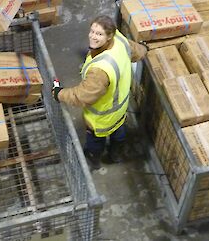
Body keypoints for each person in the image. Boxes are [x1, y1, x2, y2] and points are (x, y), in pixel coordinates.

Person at [52, 15, 146, 170]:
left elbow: (82, 96)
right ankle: (116, 155)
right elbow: (136, 51)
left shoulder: (101, 71)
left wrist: (59, 93)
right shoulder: (120, 40)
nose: (93, 37)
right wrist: (145, 49)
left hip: (101, 118)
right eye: (92, 31)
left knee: (95, 143)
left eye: (99, 34)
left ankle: (92, 162)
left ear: (109, 36)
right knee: (119, 134)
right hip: (120, 109)